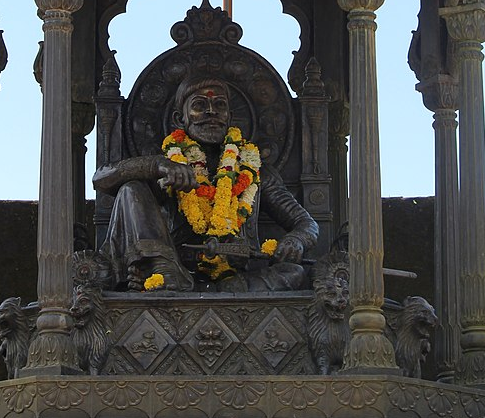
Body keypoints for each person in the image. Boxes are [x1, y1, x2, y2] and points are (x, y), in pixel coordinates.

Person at [93, 76, 318, 292]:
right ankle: (164, 268)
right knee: (131, 189)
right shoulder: (166, 167)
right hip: (173, 272)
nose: (211, 112)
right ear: (179, 119)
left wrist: (295, 240)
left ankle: (210, 289)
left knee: (294, 274)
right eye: (200, 105)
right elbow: (101, 179)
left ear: (229, 117)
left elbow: (306, 223)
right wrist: (158, 165)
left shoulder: (255, 172)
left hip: (236, 277)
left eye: (219, 105)